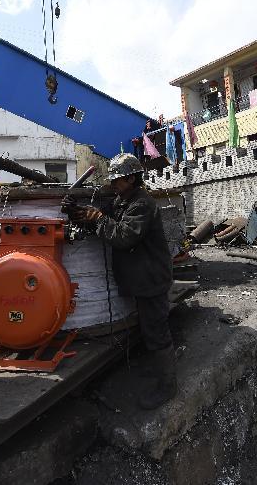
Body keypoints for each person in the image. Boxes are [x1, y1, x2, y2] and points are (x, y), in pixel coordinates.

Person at [63, 153, 177, 409]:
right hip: (142, 279)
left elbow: (124, 235)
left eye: (118, 180)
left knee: (156, 332)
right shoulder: (124, 200)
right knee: (149, 329)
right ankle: (159, 374)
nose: (113, 184)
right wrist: (78, 212)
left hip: (152, 280)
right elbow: (104, 216)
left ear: (133, 178)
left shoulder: (142, 204)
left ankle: (169, 387)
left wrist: (98, 219)